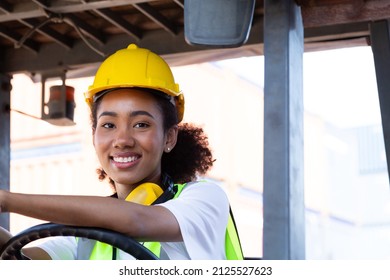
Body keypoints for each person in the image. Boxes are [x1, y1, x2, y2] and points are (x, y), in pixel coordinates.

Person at [0, 44, 243, 260]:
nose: (122, 140)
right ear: (94, 136)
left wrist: (6, 200)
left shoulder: (204, 198)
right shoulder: (84, 235)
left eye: (141, 124)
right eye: (108, 125)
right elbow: (19, 259)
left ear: (169, 137)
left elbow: (137, 220)